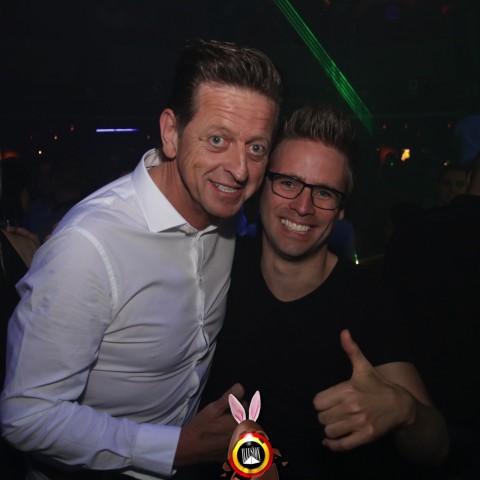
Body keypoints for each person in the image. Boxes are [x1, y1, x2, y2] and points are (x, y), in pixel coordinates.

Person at [0, 38, 284, 480]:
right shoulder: (89, 247)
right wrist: (175, 448)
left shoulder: (227, 216)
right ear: (171, 133)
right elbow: (27, 415)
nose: (240, 169)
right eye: (217, 139)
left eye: (257, 148)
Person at [196, 104, 449, 480]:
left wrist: (405, 411)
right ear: (261, 185)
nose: (302, 207)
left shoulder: (367, 300)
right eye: (288, 183)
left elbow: (436, 447)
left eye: (325, 193)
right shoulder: (214, 263)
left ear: (342, 209)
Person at [383, 152, 480, 479]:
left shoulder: (414, 232)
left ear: (469, 180)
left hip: (419, 407)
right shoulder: (418, 228)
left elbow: (385, 317)